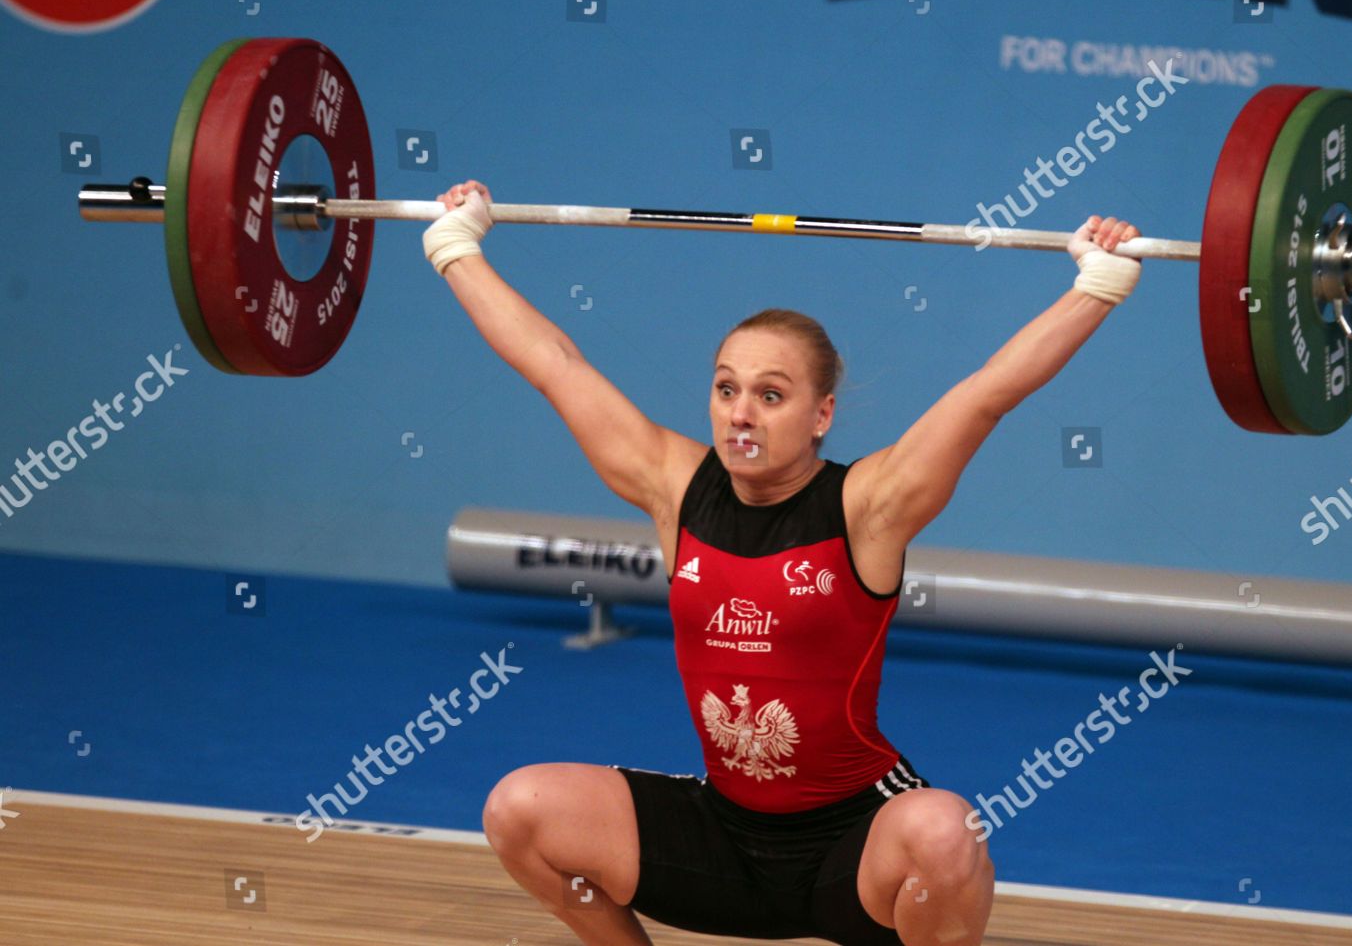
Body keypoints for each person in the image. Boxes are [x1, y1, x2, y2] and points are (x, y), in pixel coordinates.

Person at [423, 181, 1142, 946]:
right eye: (727, 388)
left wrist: (1097, 284)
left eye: (771, 395)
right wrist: (456, 246)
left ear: (821, 414)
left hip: (851, 846)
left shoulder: (867, 507)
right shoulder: (674, 486)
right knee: (519, 809)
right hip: (725, 837)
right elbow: (553, 364)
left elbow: (984, 397)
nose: (740, 412)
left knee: (944, 833)